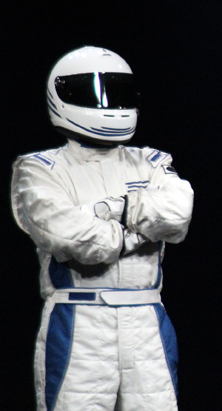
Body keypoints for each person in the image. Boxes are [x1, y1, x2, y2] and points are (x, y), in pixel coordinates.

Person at [11, 46, 194, 410]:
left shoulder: (152, 161)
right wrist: (141, 230)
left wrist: (111, 209)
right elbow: (79, 240)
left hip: (147, 323)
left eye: (115, 91)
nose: (106, 103)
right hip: (80, 323)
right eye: (91, 92)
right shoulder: (39, 169)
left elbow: (177, 214)